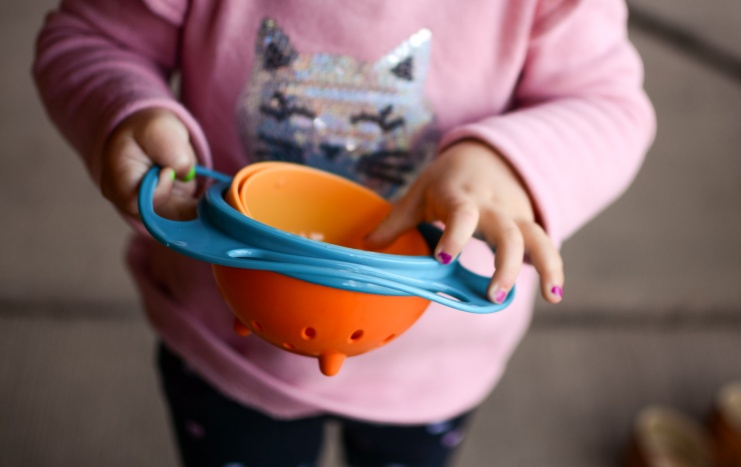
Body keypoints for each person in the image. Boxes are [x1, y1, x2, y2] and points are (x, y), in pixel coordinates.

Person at [33, 0, 655, 465]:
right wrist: (126, 118)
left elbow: (608, 104)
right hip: (226, 337)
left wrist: (508, 166)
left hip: (432, 364)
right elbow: (91, 37)